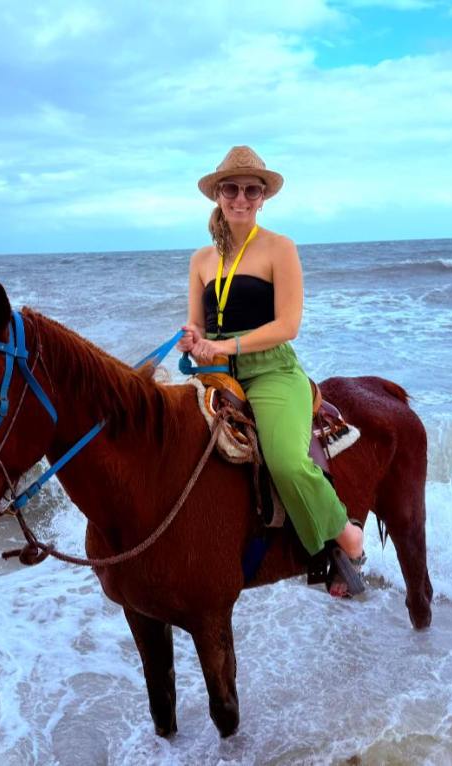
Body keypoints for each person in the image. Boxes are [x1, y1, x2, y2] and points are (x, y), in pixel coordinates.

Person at [177, 145, 366, 596]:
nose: (240, 198)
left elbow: (288, 325)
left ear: (263, 198)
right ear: (218, 195)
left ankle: (347, 536)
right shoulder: (201, 260)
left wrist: (227, 344)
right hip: (215, 373)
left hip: (270, 371)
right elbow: (197, 325)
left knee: (285, 461)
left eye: (251, 190)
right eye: (231, 189)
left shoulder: (280, 248)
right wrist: (192, 339)